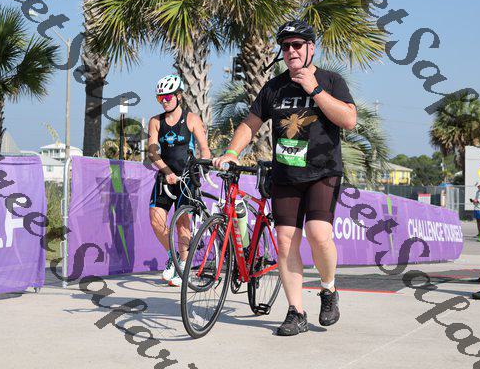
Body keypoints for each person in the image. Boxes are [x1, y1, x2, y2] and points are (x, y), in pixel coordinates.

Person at [213, 19, 357, 336]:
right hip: (285, 174)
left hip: (322, 172)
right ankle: (296, 312)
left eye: (297, 45)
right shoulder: (274, 87)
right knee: (285, 241)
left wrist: (314, 89)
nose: (291, 51)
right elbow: (250, 124)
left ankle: (329, 289)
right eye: (285, 46)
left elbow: (348, 119)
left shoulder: (331, 81)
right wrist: (232, 152)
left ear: (310, 48)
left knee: (319, 234)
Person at [148, 74, 211, 286]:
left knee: (183, 224)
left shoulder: (191, 119)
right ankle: (173, 257)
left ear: (178, 96)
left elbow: (204, 148)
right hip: (165, 177)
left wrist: (203, 165)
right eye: (160, 98)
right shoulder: (155, 122)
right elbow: (152, 151)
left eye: (167, 97)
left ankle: (183, 265)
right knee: (156, 220)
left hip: (187, 177)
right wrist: (166, 172)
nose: (164, 101)